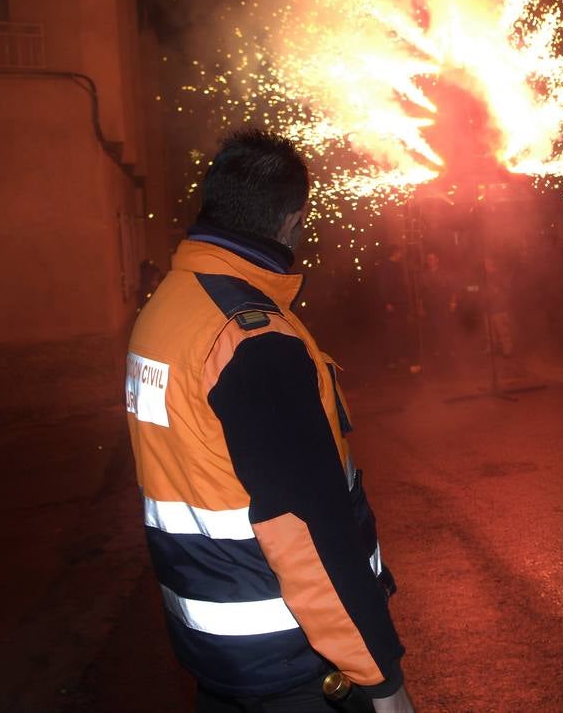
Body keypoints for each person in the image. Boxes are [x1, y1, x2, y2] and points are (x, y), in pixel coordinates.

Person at [125, 129, 415, 713]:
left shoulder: (168, 307)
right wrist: (381, 679)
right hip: (295, 660)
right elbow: (306, 529)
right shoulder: (252, 340)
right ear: (290, 220)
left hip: (219, 656)